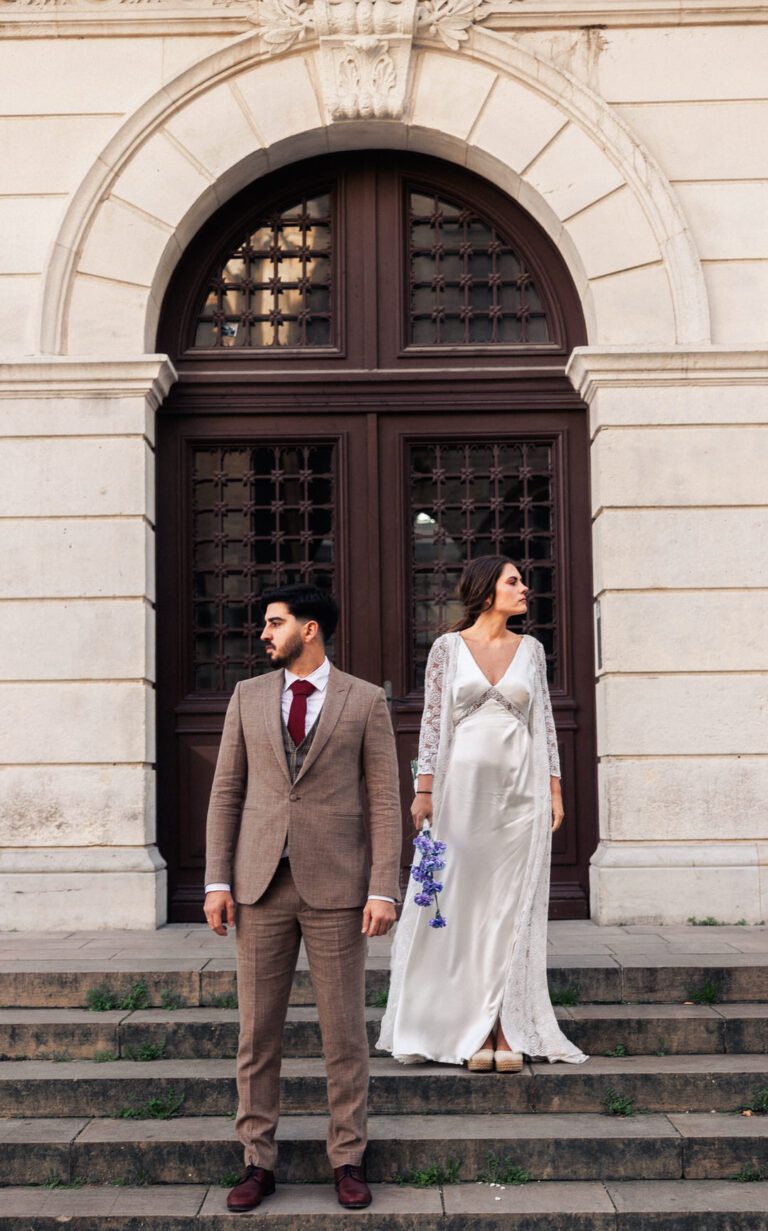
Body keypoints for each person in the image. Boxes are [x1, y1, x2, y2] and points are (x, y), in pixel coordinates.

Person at [204, 584, 402, 1211]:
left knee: (343, 1034)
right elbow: (226, 792)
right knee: (257, 1033)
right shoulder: (247, 696)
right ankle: (257, 1162)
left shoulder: (365, 701)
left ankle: (347, 1158)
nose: (263, 633)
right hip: (259, 885)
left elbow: (386, 801)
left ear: (309, 629)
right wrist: (216, 880)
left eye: (274, 623)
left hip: (338, 887)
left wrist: (382, 886)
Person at [378, 557, 587, 1070]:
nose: (524, 588)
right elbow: (431, 723)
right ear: (486, 590)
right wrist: (423, 790)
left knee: (507, 910)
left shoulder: (531, 650)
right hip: (459, 797)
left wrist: (555, 792)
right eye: (513, 581)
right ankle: (466, 1027)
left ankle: (502, 1029)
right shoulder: (447, 650)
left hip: (521, 795)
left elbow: (547, 727)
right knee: (463, 908)